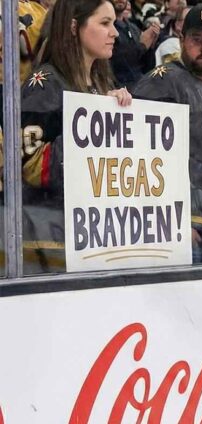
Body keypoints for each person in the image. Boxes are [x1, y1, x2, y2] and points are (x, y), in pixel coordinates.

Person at [21, 0, 132, 272]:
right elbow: (30, 168)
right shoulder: (45, 83)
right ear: (74, 27)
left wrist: (116, 113)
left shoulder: (101, 84)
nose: (115, 32)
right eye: (104, 23)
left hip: (94, 235)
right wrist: (92, 123)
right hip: (51, 239)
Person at [133, 4, 202, 264]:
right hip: (186, 227)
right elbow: (142, 161)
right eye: (197, 40)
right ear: (181, 39)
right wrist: (173, 222)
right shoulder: (162, 82)